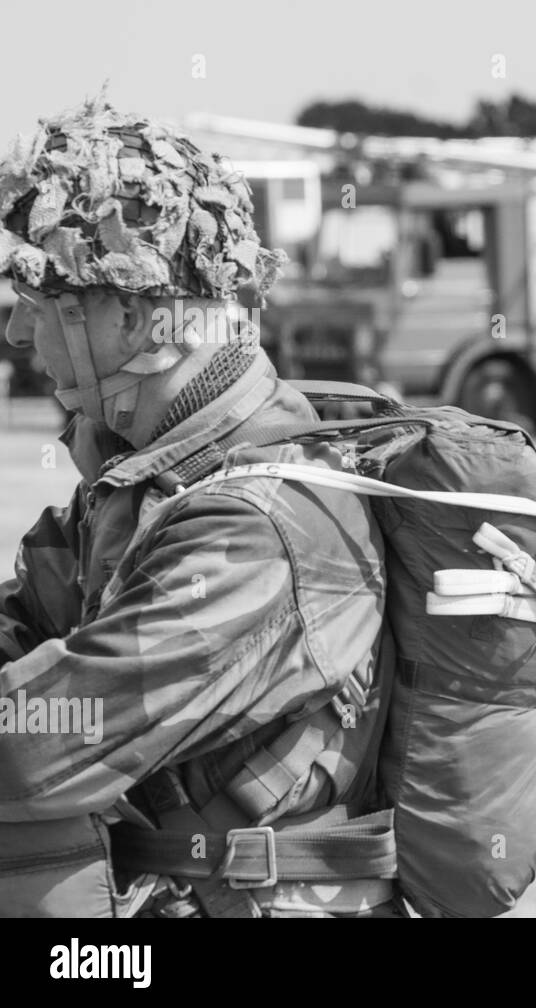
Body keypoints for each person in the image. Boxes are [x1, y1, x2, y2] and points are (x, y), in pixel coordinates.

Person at [0, 95, 396, 917]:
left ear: (140, 320)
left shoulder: (256, 525)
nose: (20, 343)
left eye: (40, 314)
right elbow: (24, 621)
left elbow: (35, 744)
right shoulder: (149, 485)